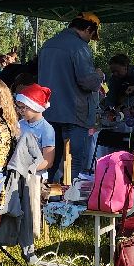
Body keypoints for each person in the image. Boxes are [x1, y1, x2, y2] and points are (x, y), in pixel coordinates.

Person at [37, 14, 103, 183]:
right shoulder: (80, 47)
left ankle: (46, 197)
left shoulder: (48, 44)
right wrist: (98, 76)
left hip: (49, 113)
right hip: (74, 114)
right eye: (91, 35)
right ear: (88, 29)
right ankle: (72, 202)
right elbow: (87, 81)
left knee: (49, 160)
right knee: (75, 163)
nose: (90, 40)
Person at [12, 84, 56, 176]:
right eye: (19, 107)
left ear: (36, 107)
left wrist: (28, 169)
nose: (21, 111)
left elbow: (48, 161)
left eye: (24, 107)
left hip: (36, 174)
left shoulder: (46, 129)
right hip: (17, 171)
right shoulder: (19, 124)